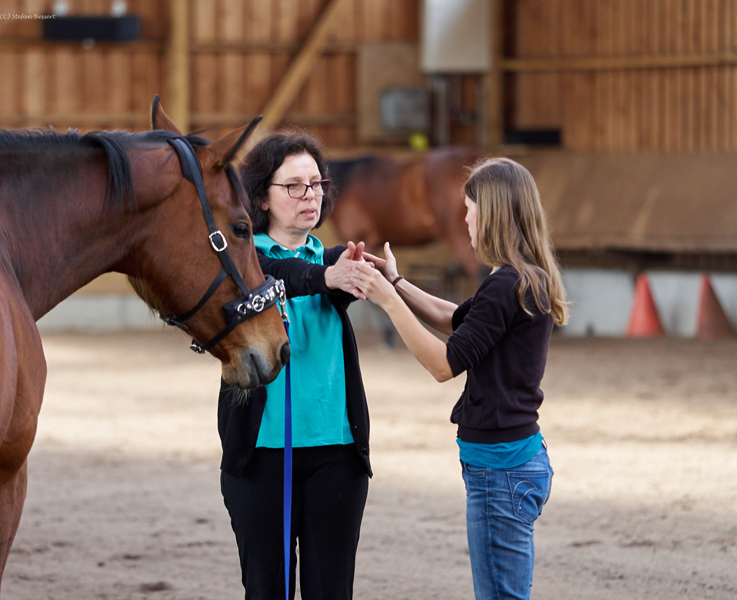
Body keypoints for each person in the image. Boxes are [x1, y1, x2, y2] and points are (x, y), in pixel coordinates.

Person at [352, 157, 568, 600]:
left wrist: (388, 302)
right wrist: (396, 282)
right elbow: (460, 321)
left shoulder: (506, 284)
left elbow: (444, 364)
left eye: (469, 208)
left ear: (490, 214)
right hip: (513, 460)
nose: (464, 218)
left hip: (500, 470)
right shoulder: (520, 280)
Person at [218, 129, 371, 600]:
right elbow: (278, 274)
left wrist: (368, 272)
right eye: (294, 186)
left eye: (317, 183)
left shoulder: (330, 258)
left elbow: (321, 269)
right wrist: (327, 275)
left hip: (338, 453)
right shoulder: (241, 262)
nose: (311, 195)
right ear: (261, 197)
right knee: (267, 590)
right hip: (261, 455)